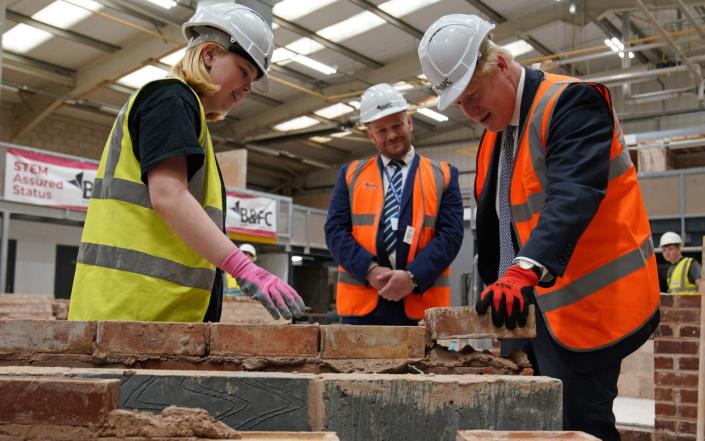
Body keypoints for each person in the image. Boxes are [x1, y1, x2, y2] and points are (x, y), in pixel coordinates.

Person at [418, 15, 659, 440]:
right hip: (524, 312)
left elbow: (574, 194)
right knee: (525, 423)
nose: (470, 112)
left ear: (502, 66)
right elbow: (497, 225)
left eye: (473, 95)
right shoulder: (496, 130)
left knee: (580, 426)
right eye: (458, 104)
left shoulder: (572, 103)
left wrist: (522, 271)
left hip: (589, 307)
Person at [69, 3, 305, 322]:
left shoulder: (186, 112)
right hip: (136, 313)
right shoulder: (170, 99)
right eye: (245, 72)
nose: (248, 89)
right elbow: (168, 195)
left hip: (146, 313)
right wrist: (243, 267)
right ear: (210, 54)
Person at [324, 83, 464, 326]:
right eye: (381, 130)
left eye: (397, 125)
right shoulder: (351, 175)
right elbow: (335, 231)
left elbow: (451, 235)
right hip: (363, 308)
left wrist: (412, 277)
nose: (391, 135)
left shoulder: (444, 174)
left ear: (409, 122)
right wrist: (370, 271)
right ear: (370, 134)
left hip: (422, 305)